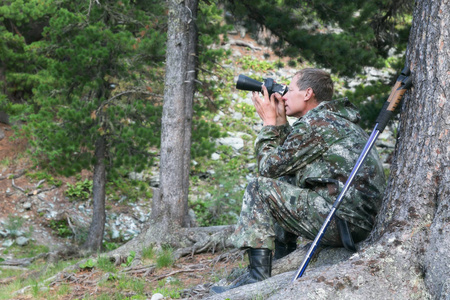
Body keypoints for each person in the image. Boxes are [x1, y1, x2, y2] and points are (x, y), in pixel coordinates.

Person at [211, 68, 386, 294]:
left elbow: (267, 169)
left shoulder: (317, 124)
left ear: (307, 94)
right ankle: (283, 258)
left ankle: (257, 278)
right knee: (285, 179)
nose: (283, 96)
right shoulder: (333, 120)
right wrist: (282, 124)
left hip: (342, 221)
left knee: (258, 187)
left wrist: (269, 123)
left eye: (289, 90)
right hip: (353, 221)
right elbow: (287, 165)